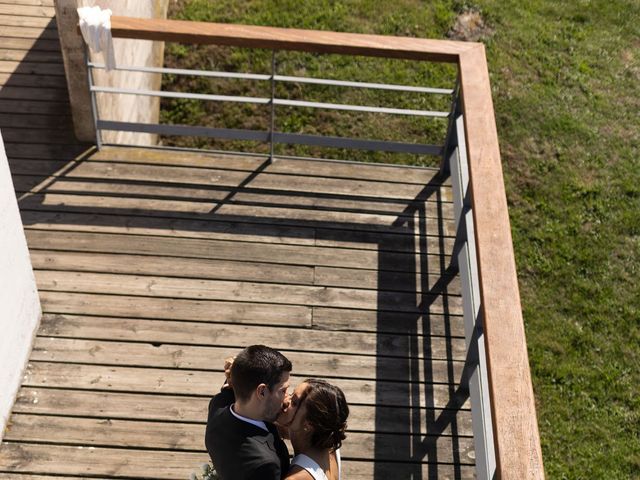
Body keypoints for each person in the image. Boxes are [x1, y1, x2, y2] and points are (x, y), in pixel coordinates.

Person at [205, 345, 293, 480]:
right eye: (283, 390)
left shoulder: (219, 404)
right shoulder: (264, 466)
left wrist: (238, 369)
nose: (288, 397)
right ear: (262, 391)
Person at [278, 379, 349, 480]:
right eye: (291, 394)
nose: (285, 401)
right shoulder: (330, 442)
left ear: (309, 424)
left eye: (294, 402)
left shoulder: (296, 478)